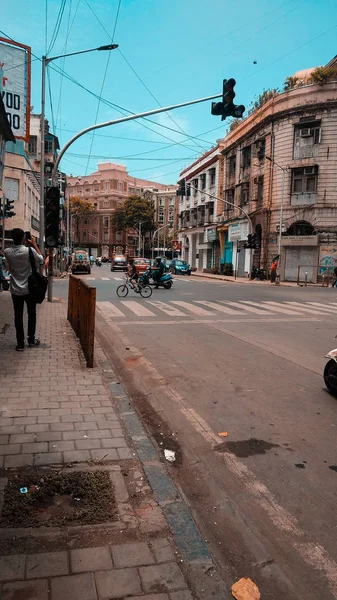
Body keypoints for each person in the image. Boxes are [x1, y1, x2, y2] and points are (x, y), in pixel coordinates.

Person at [4, 229, 44, 351]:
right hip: (29, 289)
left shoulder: (7, 252)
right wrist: (34, 244)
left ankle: (20, 343)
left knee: (18, 315)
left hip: (15, 289)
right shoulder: (29, 251)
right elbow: (41, 260)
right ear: (23, 239)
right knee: (31, 314)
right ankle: (31, 340)